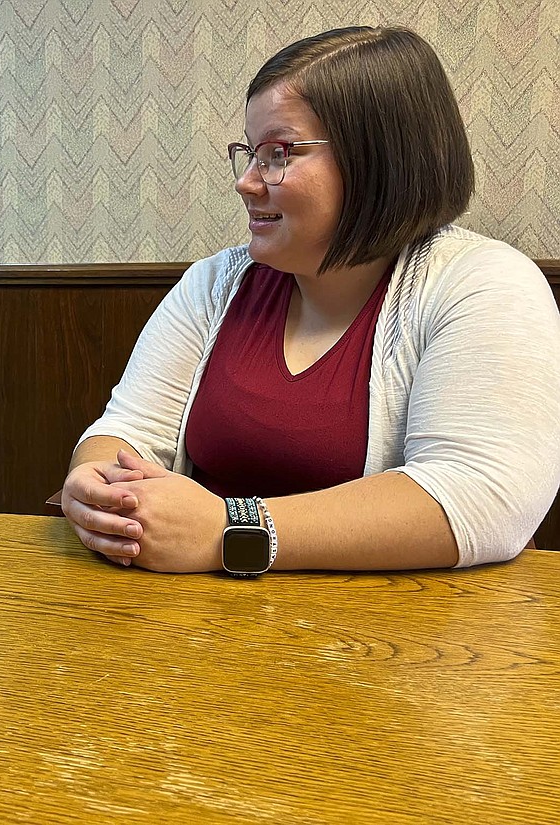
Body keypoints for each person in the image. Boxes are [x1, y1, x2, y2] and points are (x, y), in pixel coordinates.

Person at [62, 26, 560, 575]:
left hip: (401, 641)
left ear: (378, 160)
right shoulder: (214, 283)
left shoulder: (484, 285)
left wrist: (233, 532)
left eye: (278, 153)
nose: (247, 182)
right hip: (199, 621)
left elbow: (480, 499)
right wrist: (94, 488)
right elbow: (130, 428)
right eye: (249, 154)